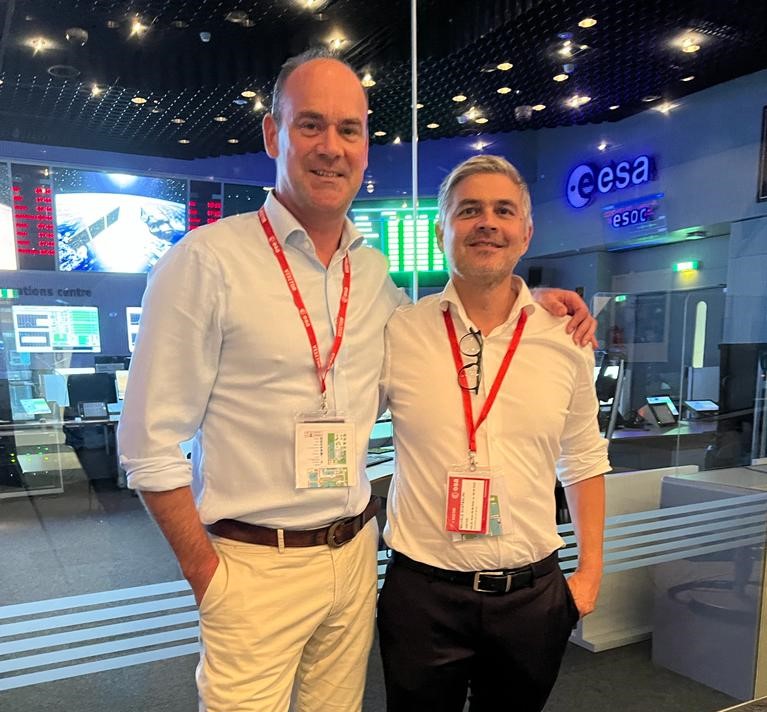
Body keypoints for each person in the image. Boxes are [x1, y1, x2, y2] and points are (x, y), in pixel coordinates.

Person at [118, 49, 596, 712]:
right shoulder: (206, 263)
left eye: (348, 129)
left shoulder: (371, 276)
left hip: (355, 557)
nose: (330, 147)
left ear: (365, 146)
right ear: (271, 135)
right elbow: (146, 445)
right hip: (253, 564)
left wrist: (533, 302)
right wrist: (206, 574)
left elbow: (454, 328)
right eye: (309, 125)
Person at [377, 154, 610, 712]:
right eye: (469, 211)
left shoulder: (565, 338)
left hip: (533, 599)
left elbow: (583, 459)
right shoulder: (398, 331)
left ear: (525, 234)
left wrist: (590, 577)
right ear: (441, 232)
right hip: (422, 596)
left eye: (503, 211)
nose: (487, 222)